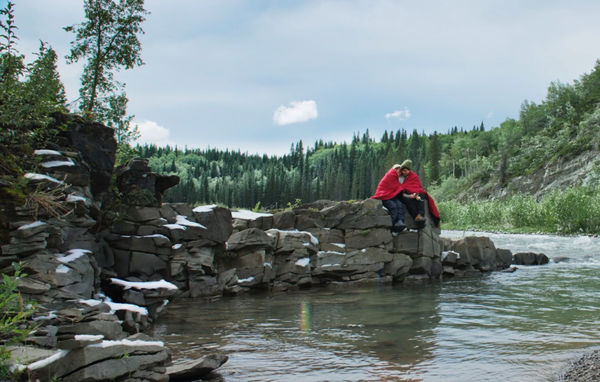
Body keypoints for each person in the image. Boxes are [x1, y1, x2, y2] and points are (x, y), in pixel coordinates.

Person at [395, 159, 440, 228]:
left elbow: (417, 187)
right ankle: (417, 217)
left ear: (409, 170)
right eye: (403, 171)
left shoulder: (413, 176)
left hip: (414, 193)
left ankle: (420, 215)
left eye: (405, 171)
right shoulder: (399, 177)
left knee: (421, 195)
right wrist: (409, 195)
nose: (404, 172)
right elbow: (401, 188)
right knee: (408, 200)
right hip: (404, 194)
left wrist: (415, 193)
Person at [372, 163, 407, 231]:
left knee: (399, 205)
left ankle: (400, 222)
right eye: (399, 171)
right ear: (395, 169)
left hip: (391, 196)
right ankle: (393, 224)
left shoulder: (396, 177)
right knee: (393, 207)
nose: (400, 173)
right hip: (384, 196)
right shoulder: (391, 175)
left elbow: (396, 187)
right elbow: (394, 186)